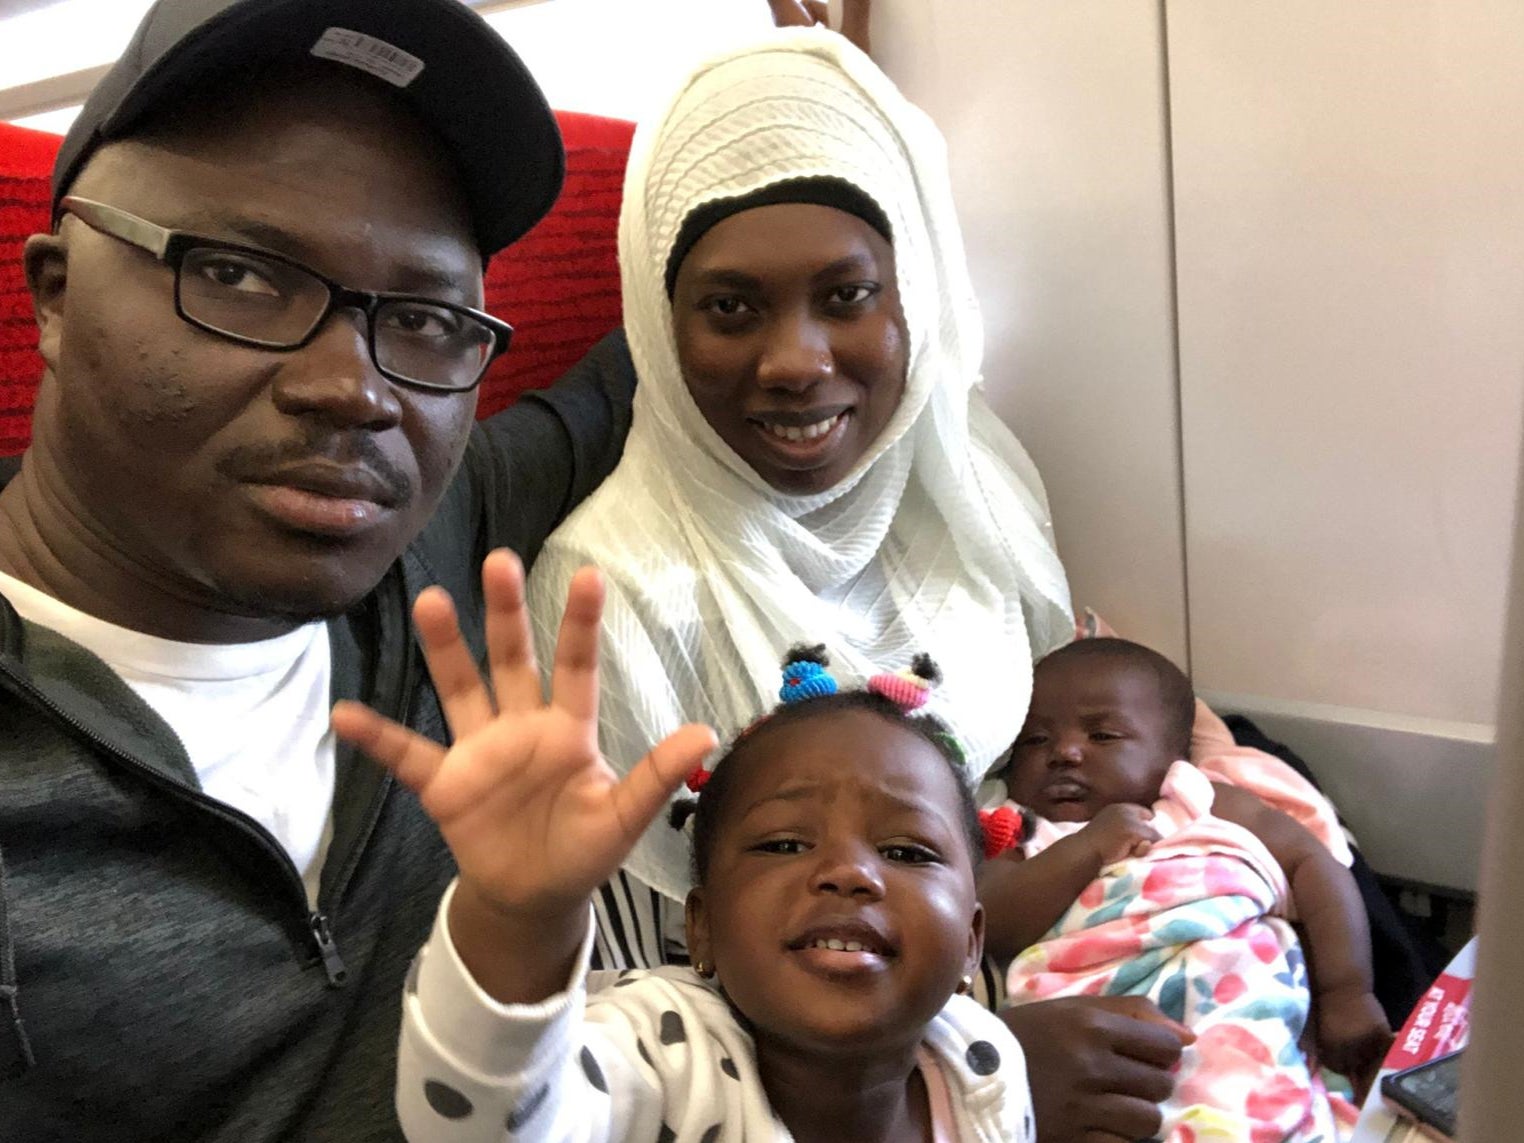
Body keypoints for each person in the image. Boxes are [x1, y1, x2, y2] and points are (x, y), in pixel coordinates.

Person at [0, 1, 639, 1139]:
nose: (359, 390)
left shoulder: (432, 543)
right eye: (242, 277)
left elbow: (636, 378)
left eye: (431, 318)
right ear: (54, 293)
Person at [332, 554, 1035, 1142]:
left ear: (973, 942)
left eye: (908, 852)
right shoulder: (664, 1052)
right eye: (785, 842)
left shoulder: (983, 1065)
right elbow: (490, 1125)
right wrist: (521, 917)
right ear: (700, 928)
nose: (848, 871)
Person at [980, 637, 1393, 1141]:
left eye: (1104, 735)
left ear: (1174, 756)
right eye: (1035, 741)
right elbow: (990, 924)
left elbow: (1315, 867)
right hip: (1106, 1065)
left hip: (1243, 1035)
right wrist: (1088, 847)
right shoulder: (1020, 833)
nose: (1064, 752)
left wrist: (1348, 991)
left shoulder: (1201, 801)